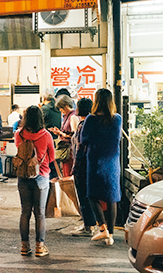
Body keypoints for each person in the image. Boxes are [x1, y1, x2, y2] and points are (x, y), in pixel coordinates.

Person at [80, 88, 122, 246]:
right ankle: (110, 234)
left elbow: (84, 140)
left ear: (96, 101)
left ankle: (103, 228)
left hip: (95, 161)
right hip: (112, 161)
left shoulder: (91, 119)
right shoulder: (117, 119)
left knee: (92, 195)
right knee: (112, 197)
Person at [14, 105, 55, 257]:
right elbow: (52, 157)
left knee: (25, 212)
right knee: (40, 213)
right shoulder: (46, 136)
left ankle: (24, 246)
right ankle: (40, 246)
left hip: (23, 177)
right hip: (41, 177)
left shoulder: (19, 134)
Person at [69, 97, 97, 237]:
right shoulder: (90, 123)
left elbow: (80, 147)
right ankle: (89, 224)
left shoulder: (83, 125)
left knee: (84, 196)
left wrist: (76, 167)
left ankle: (89, 226)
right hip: (89, 165)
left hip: (82, 165)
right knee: (87, 195)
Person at [49, 94, 79, 177]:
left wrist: (61, 134)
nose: (60, 110)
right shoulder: (67, 116)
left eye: (61, 107)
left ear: (66, 105)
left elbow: (75, 135)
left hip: (70, 151)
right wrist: (59, 132)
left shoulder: (73, 116)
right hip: (67, 152)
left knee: (68, 175)